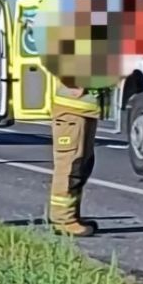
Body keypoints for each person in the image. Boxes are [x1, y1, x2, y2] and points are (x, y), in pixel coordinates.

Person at [48, 79, 101, 237]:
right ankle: (63, 220)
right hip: (71, 109)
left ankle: (72, 216)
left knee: (81, 165)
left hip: (83, 108)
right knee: (70, 166)